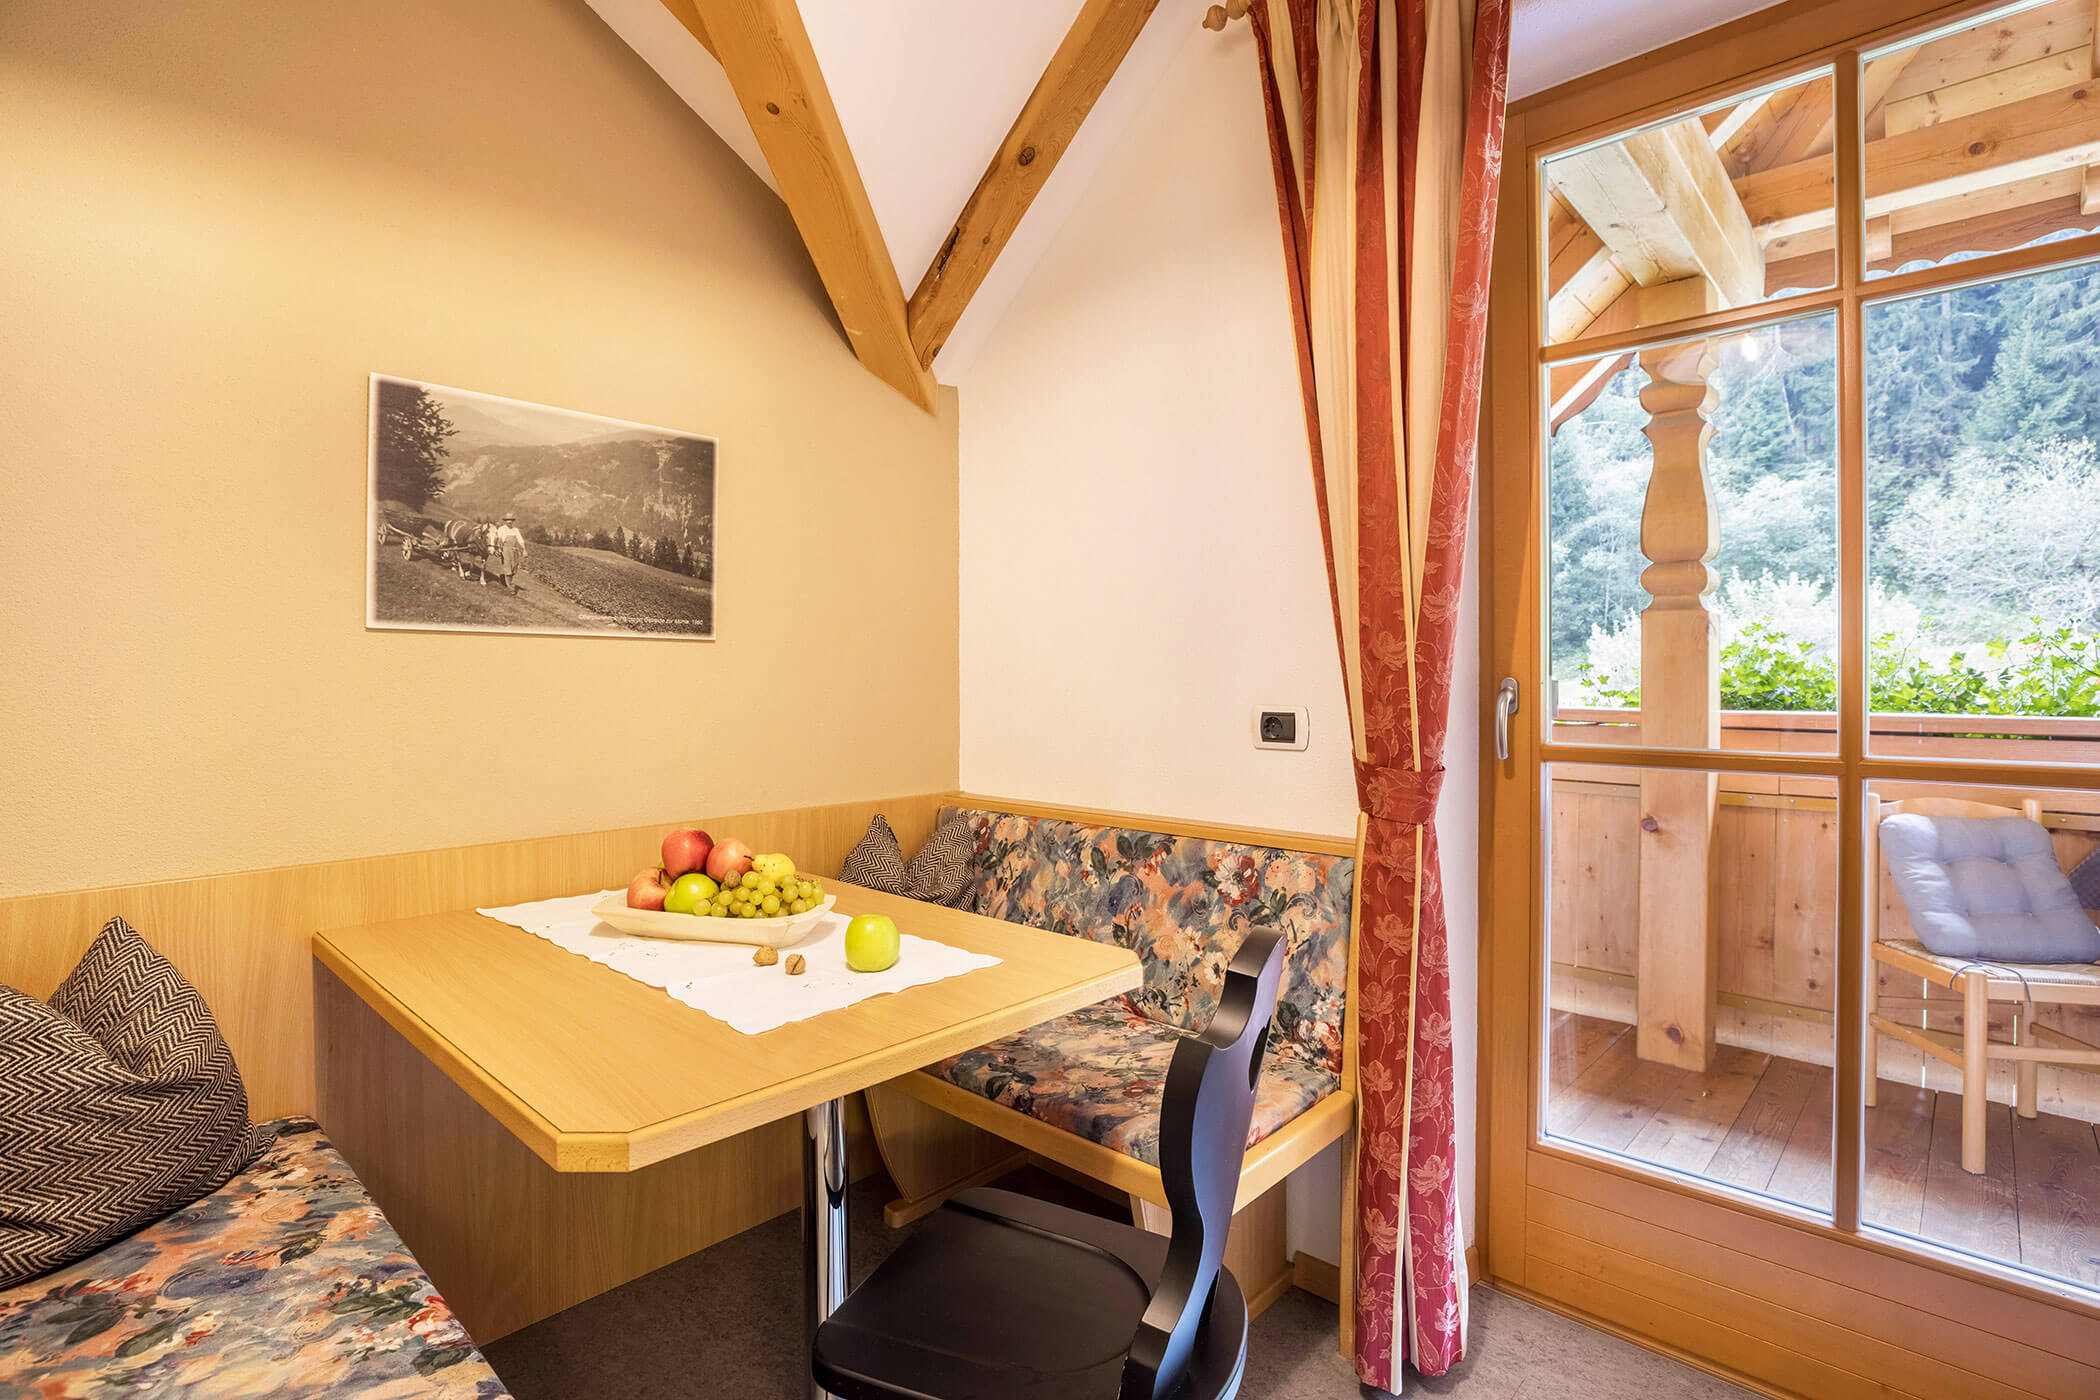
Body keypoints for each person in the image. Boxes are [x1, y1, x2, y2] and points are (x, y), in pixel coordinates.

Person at [490, 513, 528, 594]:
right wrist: (499, 549)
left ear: (513, 521)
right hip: (505, 550)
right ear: (505, 521)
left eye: (511, 520)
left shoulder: (515, 530)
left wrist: (524, 550)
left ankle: (503, 578)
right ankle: (511, 588)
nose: (509, 521)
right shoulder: (502, 529)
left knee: (514, 569)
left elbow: (520, 540)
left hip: (514, 551)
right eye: (507, 520)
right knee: (508, 568)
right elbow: (500, 540)